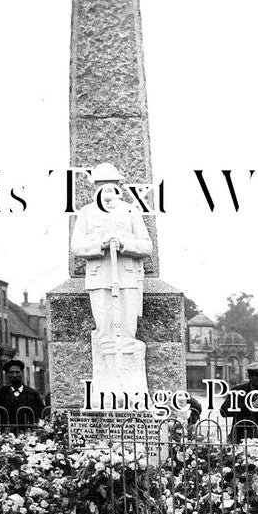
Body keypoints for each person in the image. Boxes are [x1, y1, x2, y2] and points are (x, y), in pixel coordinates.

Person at [71, 162, 153, 398]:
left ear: (119, 187)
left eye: (111, 186)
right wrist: (100, 245)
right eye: (100, 186)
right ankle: (107, 388)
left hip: (126, 278)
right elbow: (77, 246)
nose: (106, 191)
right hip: (99, 279)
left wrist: (125, 244)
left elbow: (146, 245)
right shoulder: (86, 213)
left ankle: (129, 388)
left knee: (128, 331)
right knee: (104, 331)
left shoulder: (130, 211)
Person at [0, 359, 45, 434]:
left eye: (17, 372)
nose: (14, 375)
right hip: (6, 436)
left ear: (22, 373)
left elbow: (41, 415)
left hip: (28, 435)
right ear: (7, 374)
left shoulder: (32, 394)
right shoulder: (0, 394)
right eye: (11, 372)